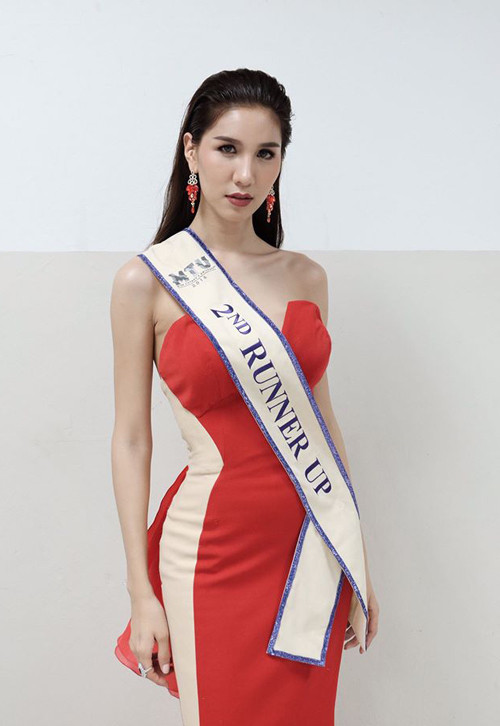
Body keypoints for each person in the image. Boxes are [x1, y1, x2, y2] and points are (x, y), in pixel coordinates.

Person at [110, 67, 379, 725]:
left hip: (308, 549)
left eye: (266, 154)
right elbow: (132, 439)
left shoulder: (306, 277)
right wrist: (141, 592)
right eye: (227, 149)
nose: (245, 174)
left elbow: (322, 419)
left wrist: (354, 558)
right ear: (191, 149)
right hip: (213, 551)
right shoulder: (147, 281)